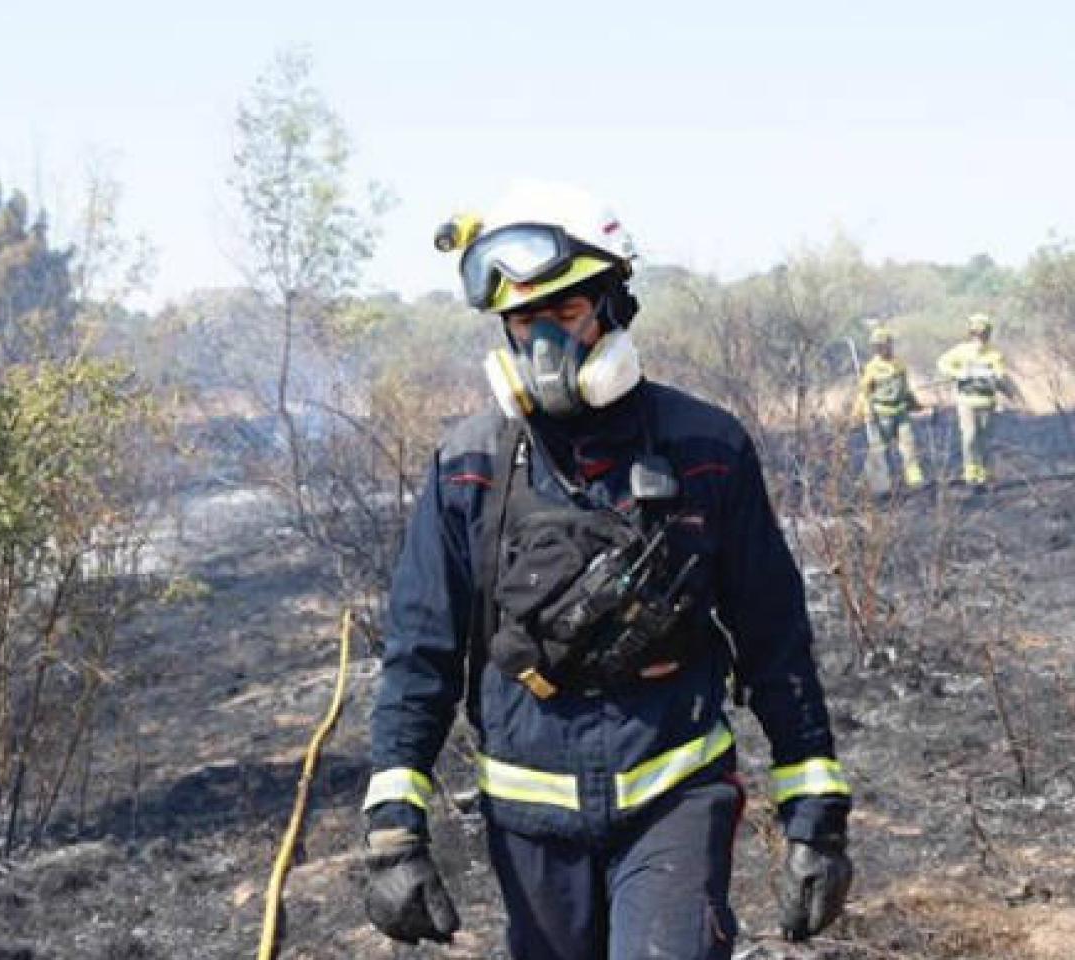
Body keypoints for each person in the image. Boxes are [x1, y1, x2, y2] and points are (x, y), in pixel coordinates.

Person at [359, 180, 853, 960]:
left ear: (614, 310)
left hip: (674, 801)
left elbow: (773, 635)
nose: (544, 344)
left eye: (565, 315)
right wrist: (392, 833)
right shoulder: (468, 467)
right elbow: (420, 653)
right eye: (526, 322)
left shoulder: (706, 449)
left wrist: (815, 814)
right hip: (527, 820)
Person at [935, 313, 1022, 490]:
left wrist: (1000, 382)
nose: (980, 337)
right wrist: (958, 373)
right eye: (976, 333)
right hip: (966, 402)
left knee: (985, 439)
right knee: (969, 437)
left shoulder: (995, 355)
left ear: (988, 334)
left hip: (987, 403)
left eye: (983, 333)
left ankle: (986, 475)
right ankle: (971, 474)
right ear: (971, 333)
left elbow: (1000, 376)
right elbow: (942, 363)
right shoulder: (961, 350)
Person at [853, 324, 925, 491]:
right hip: (880, 415)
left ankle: (915, 480)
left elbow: (905, 390)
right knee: (879, 451)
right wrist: (860, 413)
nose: (880, 349)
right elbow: (864, 393)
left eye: (883, 345)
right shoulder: (871, 368)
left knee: (909, 445)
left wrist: (915, 404)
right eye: (876, 346)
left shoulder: (900, 365)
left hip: (900, 413)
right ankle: (867, 484)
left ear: (889, 344)